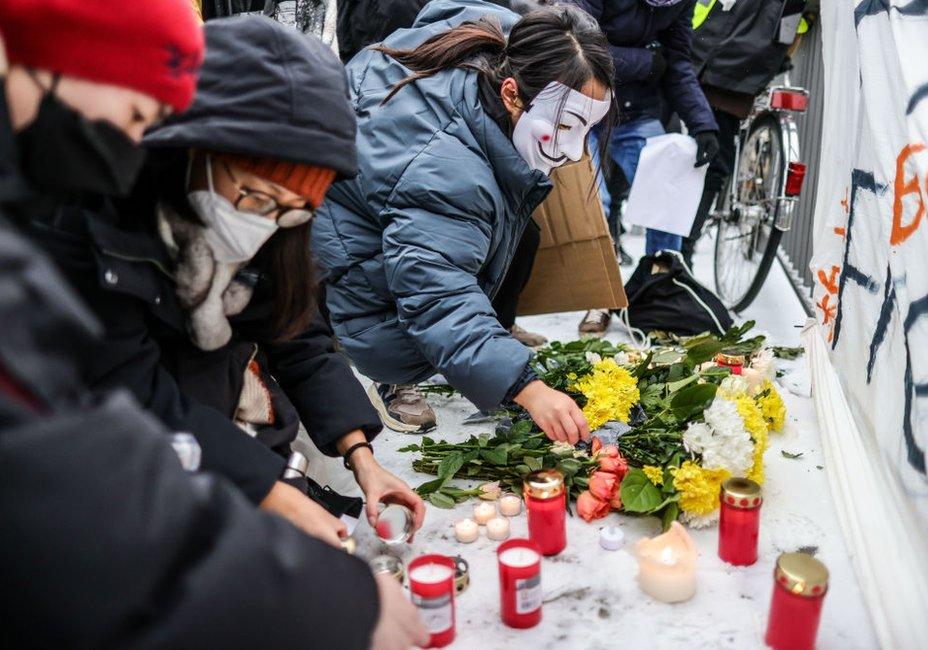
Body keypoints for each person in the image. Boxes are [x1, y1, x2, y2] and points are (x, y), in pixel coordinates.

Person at [0, 2, 426, 648]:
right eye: (255, 196)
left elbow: (297, 333)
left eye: (291, 212)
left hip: (219, 439)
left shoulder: (275, 235)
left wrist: (360, 456)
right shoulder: (92, 220)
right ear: (193, 145)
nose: (265, 222)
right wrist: (268, 489)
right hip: (155, 464)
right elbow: (133, 395)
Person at [313, 0, 611, 441]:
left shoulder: (510, 49)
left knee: (518, 236)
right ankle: (367, 367)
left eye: (586, 131)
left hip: (361, 186)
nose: (573, 151)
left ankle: (485, 346)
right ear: (510, 93)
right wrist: (525, 387)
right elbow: (436, 291)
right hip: (331, 233)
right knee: (402, 347)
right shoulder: (450, 171)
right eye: (565, 127)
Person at [571, 0, 720, 336]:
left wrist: (702, 123)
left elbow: (677, 63)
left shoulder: (679, 3)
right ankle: (599, 297)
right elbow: (580, 48)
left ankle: (658, 289)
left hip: (634, 110)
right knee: (593, 197)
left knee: (668, 183)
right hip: (581, 105)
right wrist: (648, 60)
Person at [680, 0, 808, 266]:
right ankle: (683, 250)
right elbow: (795, 25)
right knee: (710, 164)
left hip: (707, 57)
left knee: (696, 159)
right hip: (741, 67)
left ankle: (680, 249)